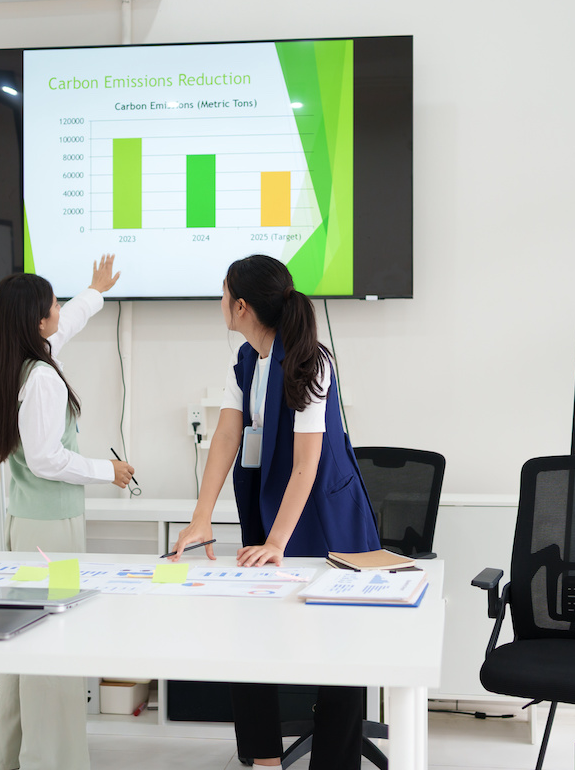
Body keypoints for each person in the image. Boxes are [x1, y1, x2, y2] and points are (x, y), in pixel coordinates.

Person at [168, 254, 380, 770]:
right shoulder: (243, 360)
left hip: (327, 518)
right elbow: (225, 436)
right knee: (250, 629)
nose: (220, 303)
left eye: (223, 294)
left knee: (338, 650)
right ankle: (263, 755)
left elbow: (307, 466)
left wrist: (277, 543)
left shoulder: (311, 361)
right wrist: (201, 515)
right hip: (271, 511)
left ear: (240, 306)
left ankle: (333, 762)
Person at [0, 256, 134, 770]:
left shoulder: (17, 363)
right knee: (53, 650)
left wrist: (93, 292)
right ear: (34, 321)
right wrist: (104, 471)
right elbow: (47, 457)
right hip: (51, 531)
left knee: (26, 650)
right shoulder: (43, 378)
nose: (57, 310)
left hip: (29, 525)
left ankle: (15, 756)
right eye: (51, 305)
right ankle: (53, 761)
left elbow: (67, 325)